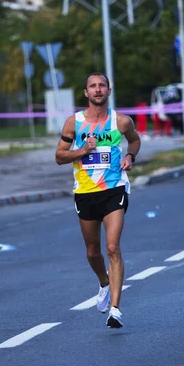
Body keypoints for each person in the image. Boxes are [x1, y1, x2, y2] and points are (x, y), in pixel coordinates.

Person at [55, 73, 141, 328]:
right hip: (85, 191)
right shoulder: (74, 123)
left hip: (114, 188)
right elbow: (59, 156)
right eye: (93, 86)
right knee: (93, 251)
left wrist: (130, 157)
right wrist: (82, 151)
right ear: (86, 93)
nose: (98, 89)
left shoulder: (121, 121)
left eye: (102, 85)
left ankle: (115, 310)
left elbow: (134, 141)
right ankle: (104, 282)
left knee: (112, 247)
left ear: (108, 90)